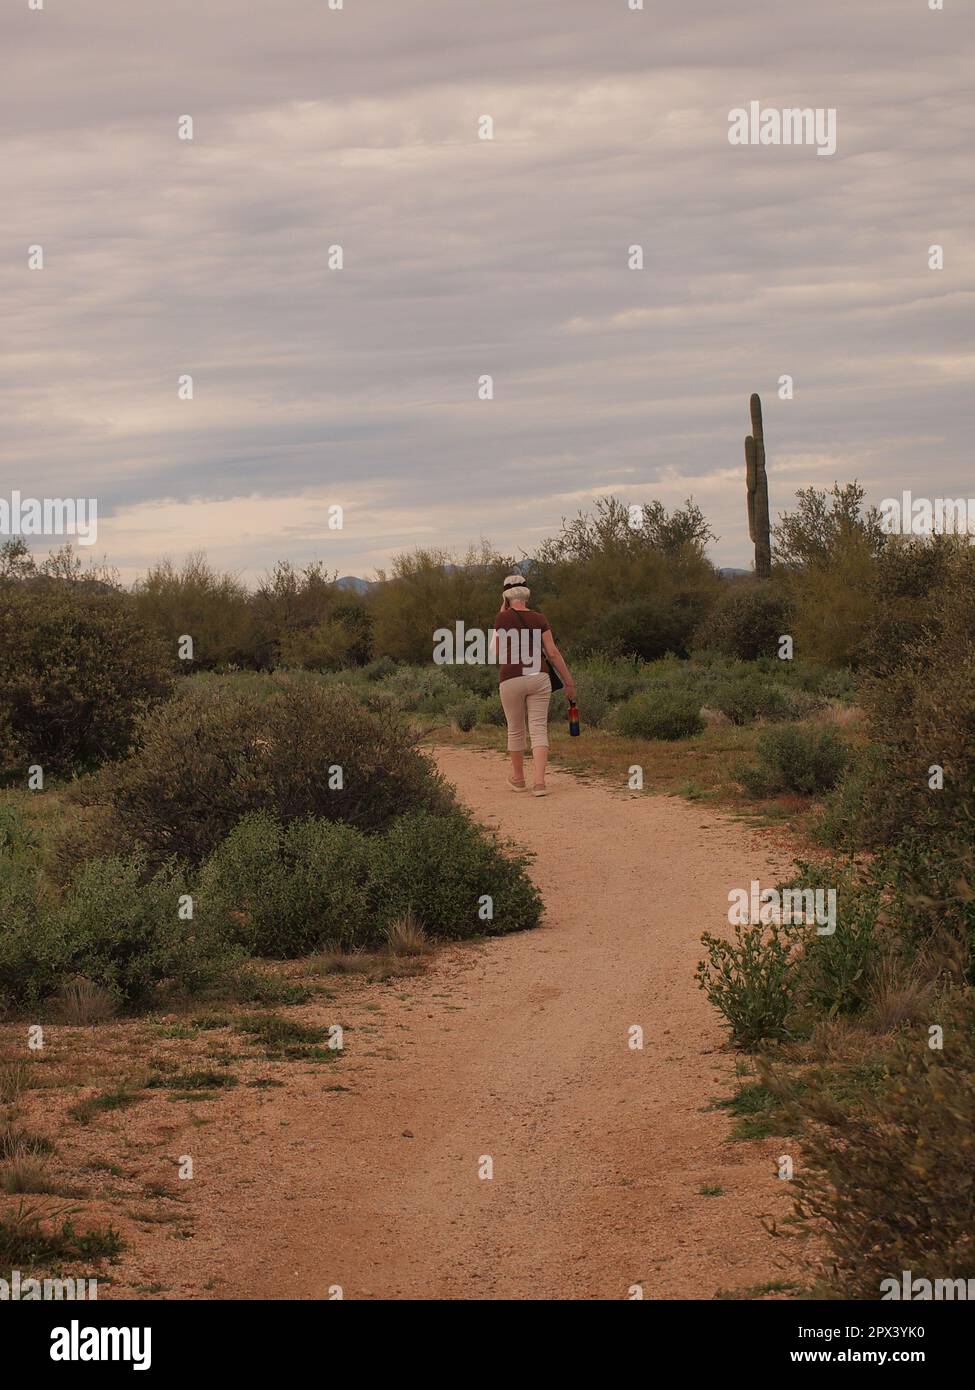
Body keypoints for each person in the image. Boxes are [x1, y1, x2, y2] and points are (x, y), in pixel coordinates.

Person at [493, 574, 576, 797]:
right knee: (538, 728)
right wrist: (568, 681)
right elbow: (552, 652)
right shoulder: (539, 618)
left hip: (511, 677)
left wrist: (502, 613)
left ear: (506, 597)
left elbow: (495, 651)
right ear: (527, 595)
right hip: (539, 676)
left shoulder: (502, 619)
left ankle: (519, 779)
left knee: (515, 729)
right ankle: (539, 782)